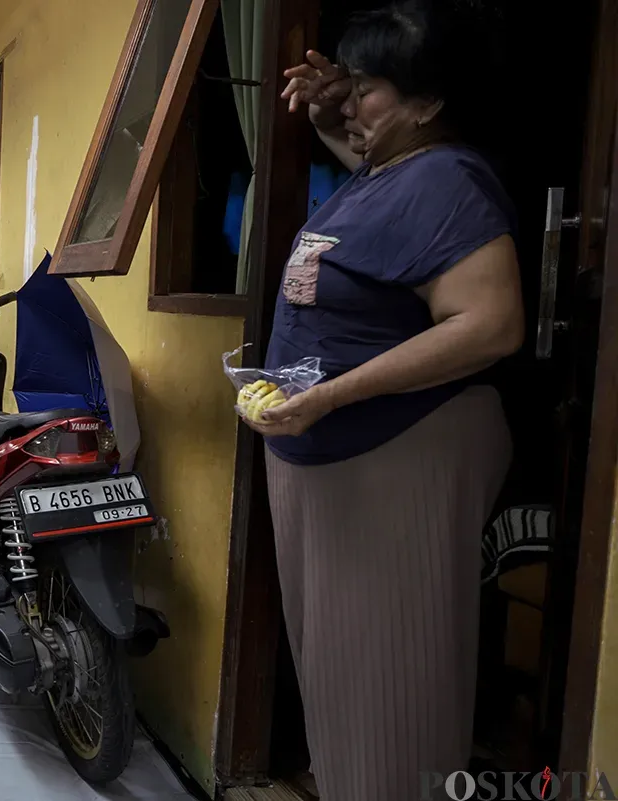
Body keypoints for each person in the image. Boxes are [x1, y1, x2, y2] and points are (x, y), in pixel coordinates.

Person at [240, 3, 524, 798]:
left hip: (394, 452)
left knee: (388, 667)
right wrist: (340, 98)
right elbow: (358, 133)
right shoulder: (384, 170)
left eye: (368, 89)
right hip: (328, 454)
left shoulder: (449, 180)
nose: (347, 104)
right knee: (337, 661)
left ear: (428, 102)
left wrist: (333, 395)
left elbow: (492, 325)